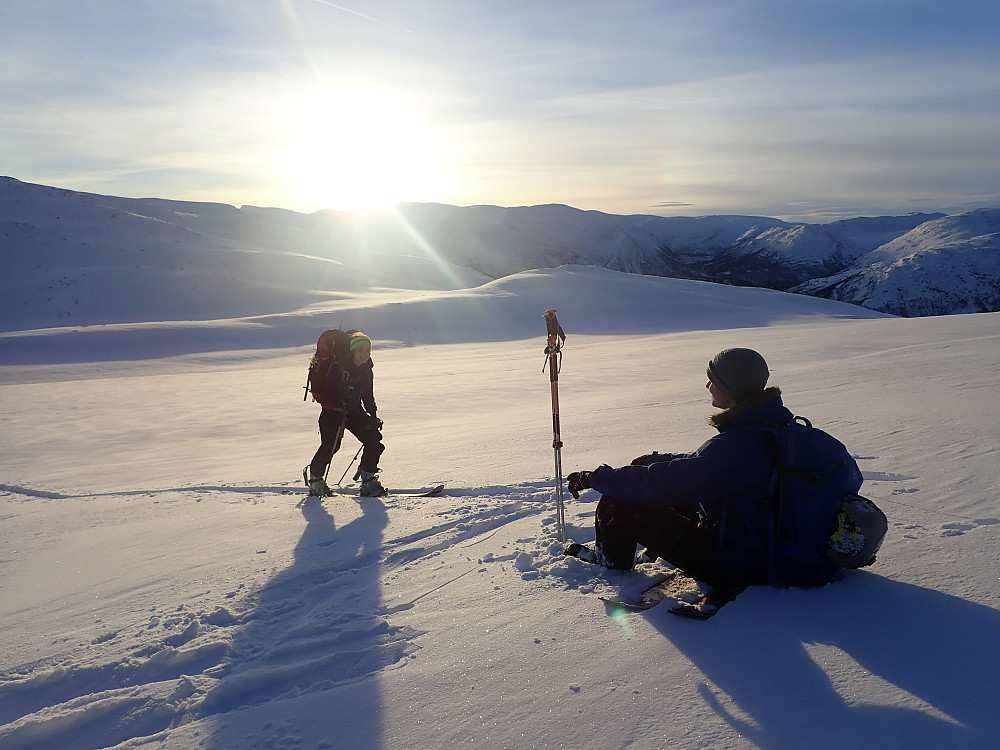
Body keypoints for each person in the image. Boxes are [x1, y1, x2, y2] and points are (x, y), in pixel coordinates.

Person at [564, 347, 843, 590]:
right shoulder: (775, 429)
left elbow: (659, 484)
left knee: (618, 502)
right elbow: (704, 466)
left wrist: (594, 477)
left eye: (713, 380)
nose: (707, 386)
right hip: (763, 542)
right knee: (668, 490)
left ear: (730, 389)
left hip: (735, 564)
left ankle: (611, 564)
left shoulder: (738, 445)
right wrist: (655, 460)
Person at [306, 331, 386, 497]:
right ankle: (315, 480)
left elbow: (367, 394)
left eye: (367, 350)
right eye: (360, 350)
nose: (364, 354)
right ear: (352, 351)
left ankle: (368, 479)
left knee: (374, 441)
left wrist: (372, 415)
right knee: (330, 447)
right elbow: (328, 395)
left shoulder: (366, 369)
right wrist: (339, 406)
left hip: (353, 412)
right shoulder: (338, 367)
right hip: (332, 413)